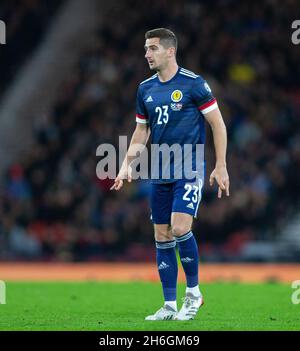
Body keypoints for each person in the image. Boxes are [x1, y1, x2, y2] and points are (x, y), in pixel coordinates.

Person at [111, 28, 230, 320]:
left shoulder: (194, 84)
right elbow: (142, 131)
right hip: (160, 170)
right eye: (146, 48)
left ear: (170, 51)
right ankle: (168, 306)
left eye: (152, 48)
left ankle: (193, 293)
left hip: (189, 168)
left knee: (179, 228)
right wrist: (126, 163)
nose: (146, 54)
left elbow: (218, 124)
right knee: (161, 235)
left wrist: (221, 164)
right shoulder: (145, 89)